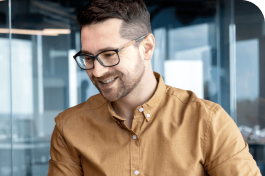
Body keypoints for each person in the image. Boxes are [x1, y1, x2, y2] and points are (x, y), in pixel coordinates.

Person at [47, 0, 261, 175]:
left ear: (147, 48)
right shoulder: (69, 128)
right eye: (88, 57)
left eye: (110, 54)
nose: (97, 72)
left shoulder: (208, 122)